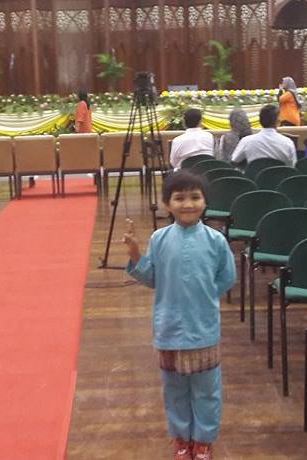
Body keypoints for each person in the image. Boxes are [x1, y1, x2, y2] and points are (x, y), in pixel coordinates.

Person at [122, 170, 235, 460]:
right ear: (166, 204)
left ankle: (203, 440)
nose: (188, 204)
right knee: (174, 389)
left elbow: (226, 277)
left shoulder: (216, 240)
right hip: (168, 328)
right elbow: (152, 278)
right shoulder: (159, 239)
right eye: (179, 198)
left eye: (195, 197)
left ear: (205, 202)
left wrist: (204, 296)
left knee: (206, 389)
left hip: (203, 328)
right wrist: (135, 255)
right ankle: (181, 438)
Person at [230, 104, 296, 166]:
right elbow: (292, 165)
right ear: (278, 121)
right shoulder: (288, 142)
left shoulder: (246, 141)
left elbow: (234, 160)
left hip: (254, 174)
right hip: (280, 174)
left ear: (260, 121)